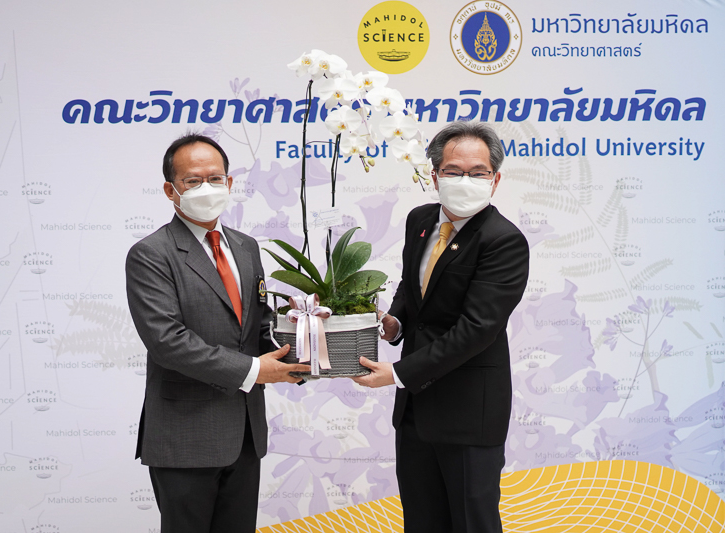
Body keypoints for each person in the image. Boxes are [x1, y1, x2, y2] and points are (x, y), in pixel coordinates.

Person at [126, 133, 309, 533]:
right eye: (193, 181)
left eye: (215, 178)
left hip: (244, 433)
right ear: (171, 190)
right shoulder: (151, 254)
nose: (206, 188)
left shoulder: (245, 247)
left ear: (229, 183)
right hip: (185, 436)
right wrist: (254, 371)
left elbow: (257, 326)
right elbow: (168, 342)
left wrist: (303, 341)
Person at [354, 121, 529, 533]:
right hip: (416, 411)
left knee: (472, 524)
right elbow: (412, 286)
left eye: (478, 172)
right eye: (453, 171)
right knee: (422, 522)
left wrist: (398, 372)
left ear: (495, 180)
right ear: (434, 176)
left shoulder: (503, 240)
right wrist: (394, 321)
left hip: (468, 414)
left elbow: (476, 329)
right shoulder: (419, 220)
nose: (465, 180)